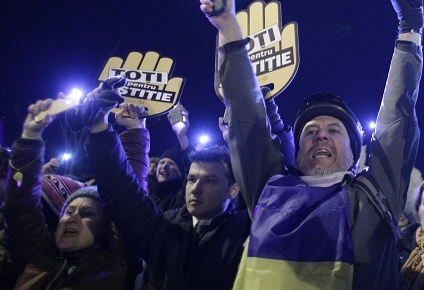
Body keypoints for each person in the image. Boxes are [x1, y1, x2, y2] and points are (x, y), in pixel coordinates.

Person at [200, 0, 422, 289]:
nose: (320, 134)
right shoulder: (269, 189)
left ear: (355, 150)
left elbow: (397, 116)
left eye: (334, 130)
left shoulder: (375, 196)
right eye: (310, 131)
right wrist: (228, 28)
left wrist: (411, 26)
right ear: (298, 148)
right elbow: (247, 124)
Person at [83, 99, 251, 290]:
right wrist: (99, 128)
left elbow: (271, 182)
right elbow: (121, 191)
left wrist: (239, 144)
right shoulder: (165, 225)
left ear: (233, 190)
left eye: (209, 181)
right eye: (191, 179)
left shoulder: (246, 232)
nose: (196, 188)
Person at [3, 89, 144, 289]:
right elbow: (19, 204)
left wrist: (133, 132)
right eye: (68, 211)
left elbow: (129, 200)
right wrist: (30, 137)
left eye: (87, 213)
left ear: (105, 226)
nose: (72, 217)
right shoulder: (36, 252)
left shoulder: (116, 263)